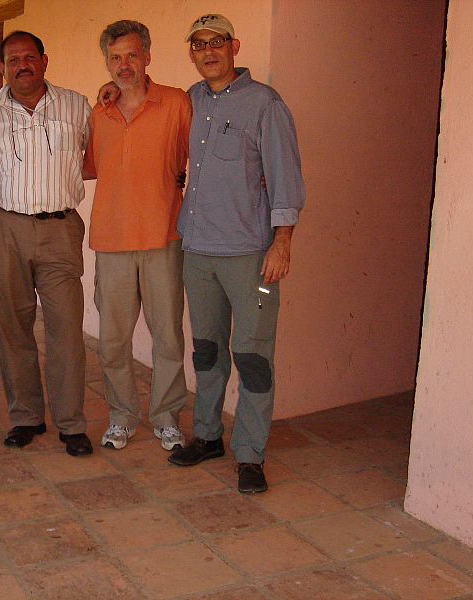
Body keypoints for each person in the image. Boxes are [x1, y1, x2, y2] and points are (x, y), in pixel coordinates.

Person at [168, 14, 305, 493]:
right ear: (192, 52)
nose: (209, 51)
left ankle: (250, 455)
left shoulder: (264, 104)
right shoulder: (189, 101)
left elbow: (285, 176)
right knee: (206, 352)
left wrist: (282, 242)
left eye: (217, 42)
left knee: (252, 357)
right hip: (198, 249)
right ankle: (207, 435)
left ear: (234, 46)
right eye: (199, 44)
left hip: (251, 254)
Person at [0, 31, 93, 457]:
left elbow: (97, 155)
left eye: (30, 57)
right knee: (14, 326)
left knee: (66, 329)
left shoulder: (78, 105)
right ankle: (25, 415)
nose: (21, 65)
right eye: (12, 59)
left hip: (60, 229)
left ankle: (71, 422)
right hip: (4, 227)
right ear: (0, 67)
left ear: (45, 60)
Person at [83, 21, 191, 452]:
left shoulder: (176, 104)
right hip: (111, 242)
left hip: (165, 237)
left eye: (131, 55)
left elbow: (195, 161)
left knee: (168, 339)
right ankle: (122, 416)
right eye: (114, 58)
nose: (123, 65)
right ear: (106, 63)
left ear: (147, 56)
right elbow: (89, 166)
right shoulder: (99, 113)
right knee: (113, 341)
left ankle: (166, 417)